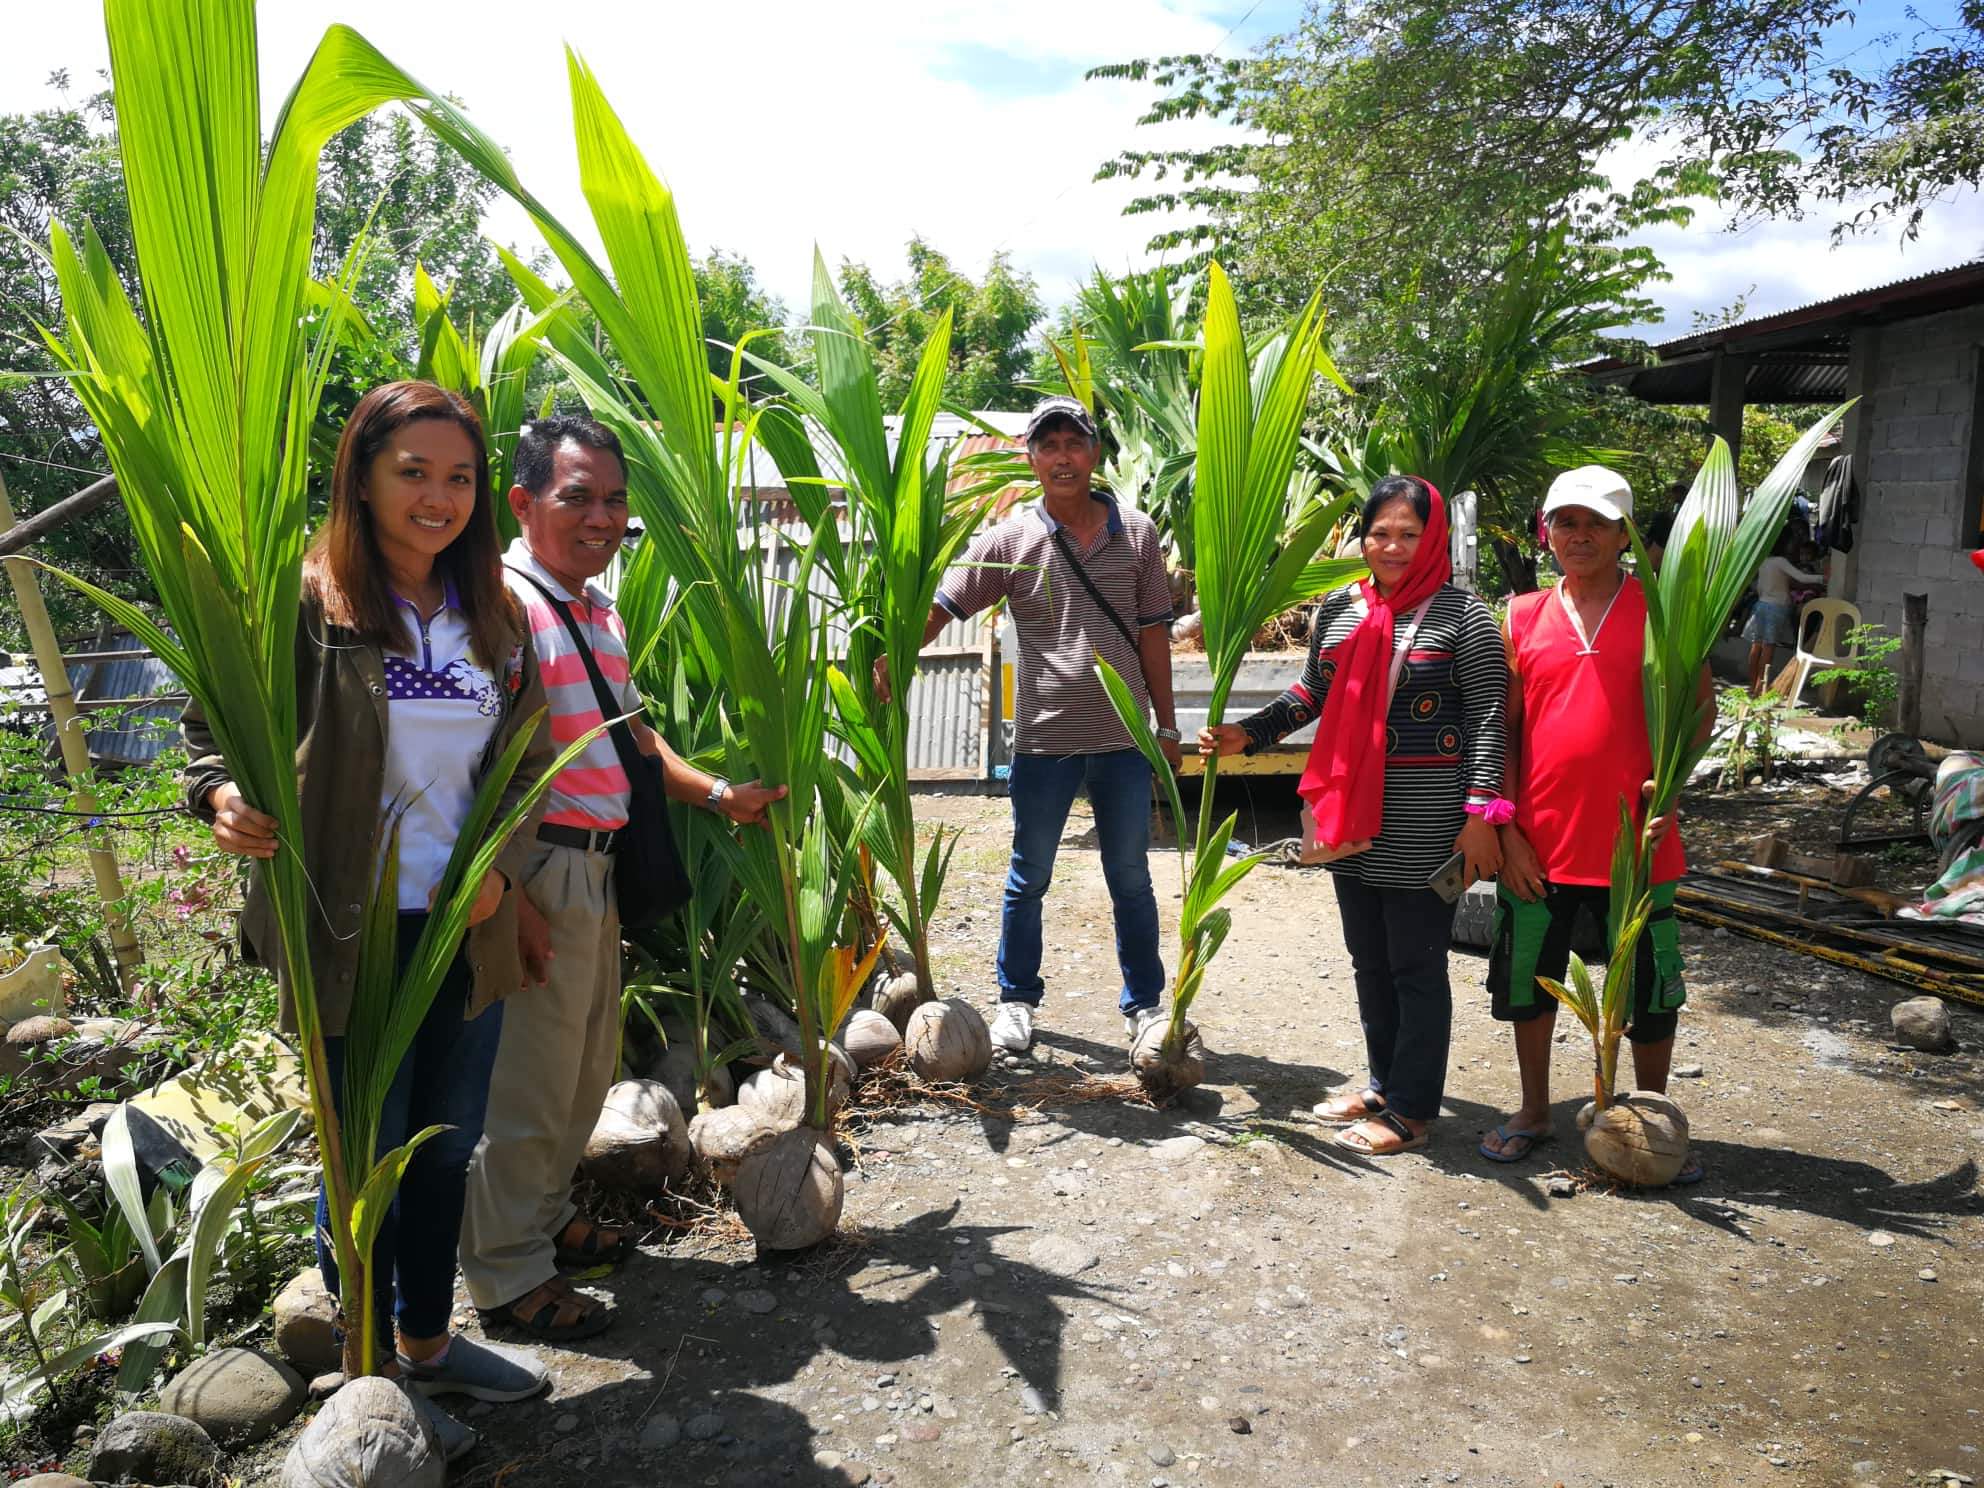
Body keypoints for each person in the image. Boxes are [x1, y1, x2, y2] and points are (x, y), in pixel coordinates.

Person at [184, 381, 558, 1450]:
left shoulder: (497, 612)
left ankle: (430, 1345)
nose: (438, 497)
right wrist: (218, 795)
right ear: (361, 475)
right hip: (348, 926)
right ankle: (363, 1377)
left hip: (462, 921)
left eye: (459, 476)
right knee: (368, 1153)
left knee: (444, 1147)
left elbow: (529, 762)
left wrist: (499, 868)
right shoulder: (308, 603)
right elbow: (210, 717)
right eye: (413, 473)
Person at [461, 415, 784, 1339]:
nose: (601, 518)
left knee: (580, 1070)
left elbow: (633, 735)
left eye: (613, 499)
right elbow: (473, 761)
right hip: (536, 865)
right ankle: (507, 1278)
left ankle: (547, 1220)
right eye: (577, 497)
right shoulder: (505, 607)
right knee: (529, 1079)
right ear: (522, 504)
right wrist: (504, 890)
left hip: (592, 868)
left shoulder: (595, 608)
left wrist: (717, 792)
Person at [1202, 476, 1507, 1157]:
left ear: (1433, 540)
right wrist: (1248, 733)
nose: (1392, 547)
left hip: (1427, 823)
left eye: (1409, 534)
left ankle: (1412, 1110)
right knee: (1368, 958)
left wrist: (1483, 813)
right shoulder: (1340, 610)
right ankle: (1382, 1082)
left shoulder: (1465, 617)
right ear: (1362, 539)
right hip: (1348, 811)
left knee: (1416, 965)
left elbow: (1490, 717)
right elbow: (1313, 692)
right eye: (1380, 533)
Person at [890, 395, 1179, 1055]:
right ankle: (1016, 1001)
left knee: (1130, 875)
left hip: (1125, 739)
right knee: (1030, 874)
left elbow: (1155, 634)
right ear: (1031, 458)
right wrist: (896, 656)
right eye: (1047, 445)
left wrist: (1165, 726)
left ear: (1095, 452)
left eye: (1073, 443)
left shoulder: (1136, 533)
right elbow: (946, 603)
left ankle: (1144, 1007)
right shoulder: (1010, 539)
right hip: (1046, 740)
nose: (1062, 457)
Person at [1483, 465, 1706, 1182]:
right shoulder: (1518, 615)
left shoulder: (1663, 609)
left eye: (1597, 523)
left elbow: (1699, 711)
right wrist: (1507, 828)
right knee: (1528, 980)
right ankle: (1533, 1109)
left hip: (1638, 844)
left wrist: (1670, 790)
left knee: (1650, 990)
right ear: (1547, 533)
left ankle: (1649, 1120)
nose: (1580, 536)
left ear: (1623, 535)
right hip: (1540, 843)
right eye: (1566, 522)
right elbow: (1506, 730)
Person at [1744, 530, 1826, 693]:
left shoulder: (1764, 561)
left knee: (1756, 647)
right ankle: (1761, 688)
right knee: (1768, 648)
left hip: (1761, 606)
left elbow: (1759, 587)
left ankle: (1753, 686)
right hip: (1777, 608)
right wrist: (1823, 578)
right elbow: (1802, 578)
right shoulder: (1781, 561)